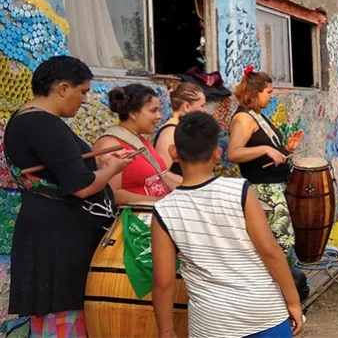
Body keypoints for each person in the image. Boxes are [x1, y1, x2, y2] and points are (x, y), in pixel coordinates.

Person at [5, 56, 133, 336]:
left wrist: (97, 164)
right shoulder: (43, 123)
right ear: (63, 88)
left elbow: (62, 171)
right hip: (59, 242)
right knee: (64, 318)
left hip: (53, 233)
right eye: (83, 91)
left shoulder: (26, 120)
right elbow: (81, 186)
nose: (86, 100)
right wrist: (112, 168)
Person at [152, 112, 303, 337]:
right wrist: (293, 302)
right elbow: (270, 251)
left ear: (173, 153)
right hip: (264, 311)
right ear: (217, 153)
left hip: (212, 324)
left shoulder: (164, 210)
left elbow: (163, 282)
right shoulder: (240, 191)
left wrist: (166, 331)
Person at [227, 67, 303, 257]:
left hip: (274, 189)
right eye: (268, 92)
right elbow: (233, 153)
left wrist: (287, 150)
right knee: (280, 245)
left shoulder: (256, 115)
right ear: (254, 92)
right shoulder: (243, 119)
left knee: (283, 243)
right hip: (262, 192)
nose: (272, 95)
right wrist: (266, 149)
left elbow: (266, 153)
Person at [93, 85, 182, 204]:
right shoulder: (110, 145)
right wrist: (162, 203)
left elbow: (162, 176)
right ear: (133, 113)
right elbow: (113, 194)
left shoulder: (139, 140)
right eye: (153, 110)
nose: (159, 116)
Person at [155, 82, 206, 176]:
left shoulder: (182, 129)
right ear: (186, 106)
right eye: (202, 106)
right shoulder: (171, 132)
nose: (205, 111)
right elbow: (162, 173)